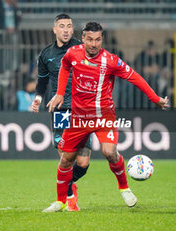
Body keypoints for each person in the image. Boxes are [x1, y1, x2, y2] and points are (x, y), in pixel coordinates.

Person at [44, 22, 169, 212]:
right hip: (79, 117)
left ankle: (124, 188)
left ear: (102, 39)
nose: (94, 44)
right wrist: (60, 93)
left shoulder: (111, 61)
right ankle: (60, 201)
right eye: (90, 39)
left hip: (104, 115)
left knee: (109, 152)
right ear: (83, 38)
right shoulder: (73, 54)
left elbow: (135, 77)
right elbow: (64, 67)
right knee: (67, 159)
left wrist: (155, 98)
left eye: (98, 39)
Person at [31, 13, 91, 211]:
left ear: (73, 29)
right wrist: (38, 99)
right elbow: (42, 81)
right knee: (66, 157)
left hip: (83, 110)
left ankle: (65, 186)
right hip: (61, 110)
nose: (66, 30)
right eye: (62, 26)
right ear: (54, 29)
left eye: (69, 26)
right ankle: (69, 196)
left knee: (82, 163)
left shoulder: (83, 49)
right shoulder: (46, 54)